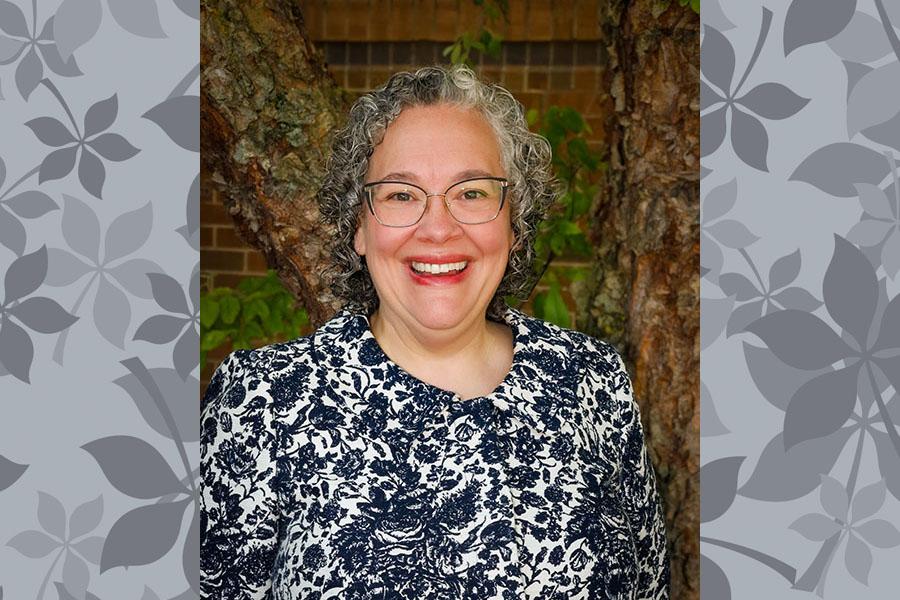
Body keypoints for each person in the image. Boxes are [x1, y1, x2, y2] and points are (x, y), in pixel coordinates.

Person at [201, 65, 669, 599]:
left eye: (470, 192)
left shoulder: (593, 382)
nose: (439, 228)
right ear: (359, 225)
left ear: (514, 224)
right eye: (401, 194)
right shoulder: (262, 401)